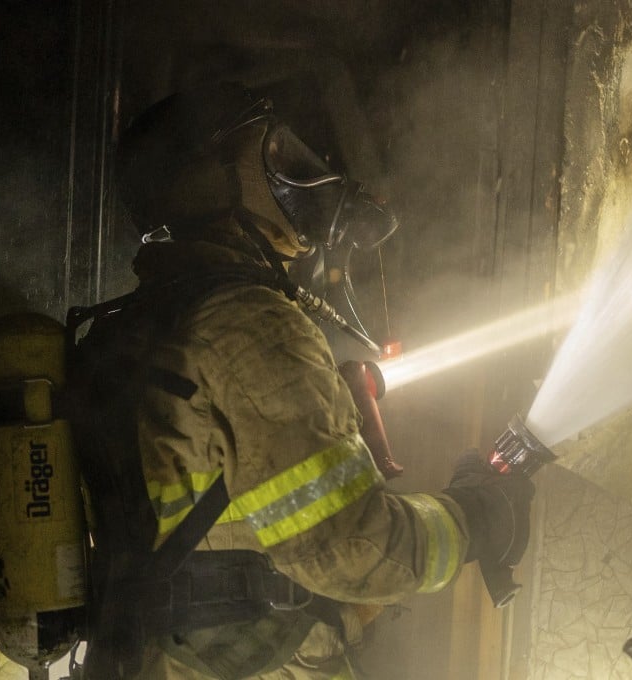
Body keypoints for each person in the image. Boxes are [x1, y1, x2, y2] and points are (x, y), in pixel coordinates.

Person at [70, 82, 534, 680]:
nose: (298, 172)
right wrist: (476, 517)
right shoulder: (251, 326)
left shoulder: (126, 330)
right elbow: (350, 548)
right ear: (210, 181)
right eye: (274, 154)